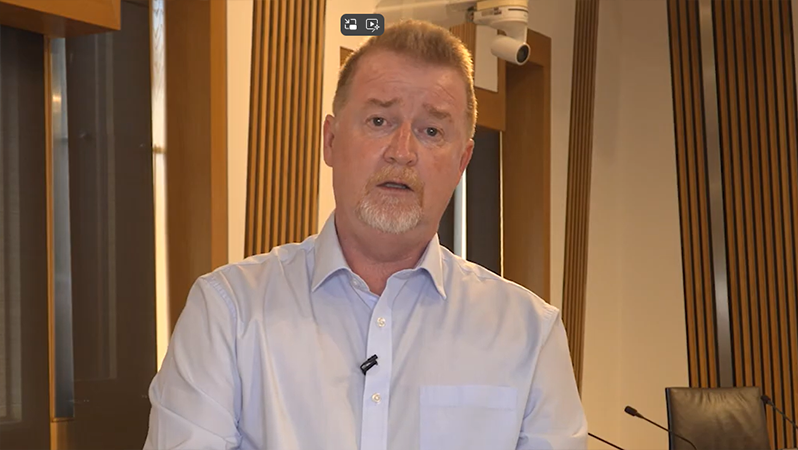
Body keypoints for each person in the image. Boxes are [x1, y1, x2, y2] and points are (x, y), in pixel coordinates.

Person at [143, 19, 587, 450]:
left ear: (462, 162)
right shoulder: (229, 313)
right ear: (331, 140)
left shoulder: (530, 334)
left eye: (432, 131)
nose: (402, 152)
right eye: (379, 121)